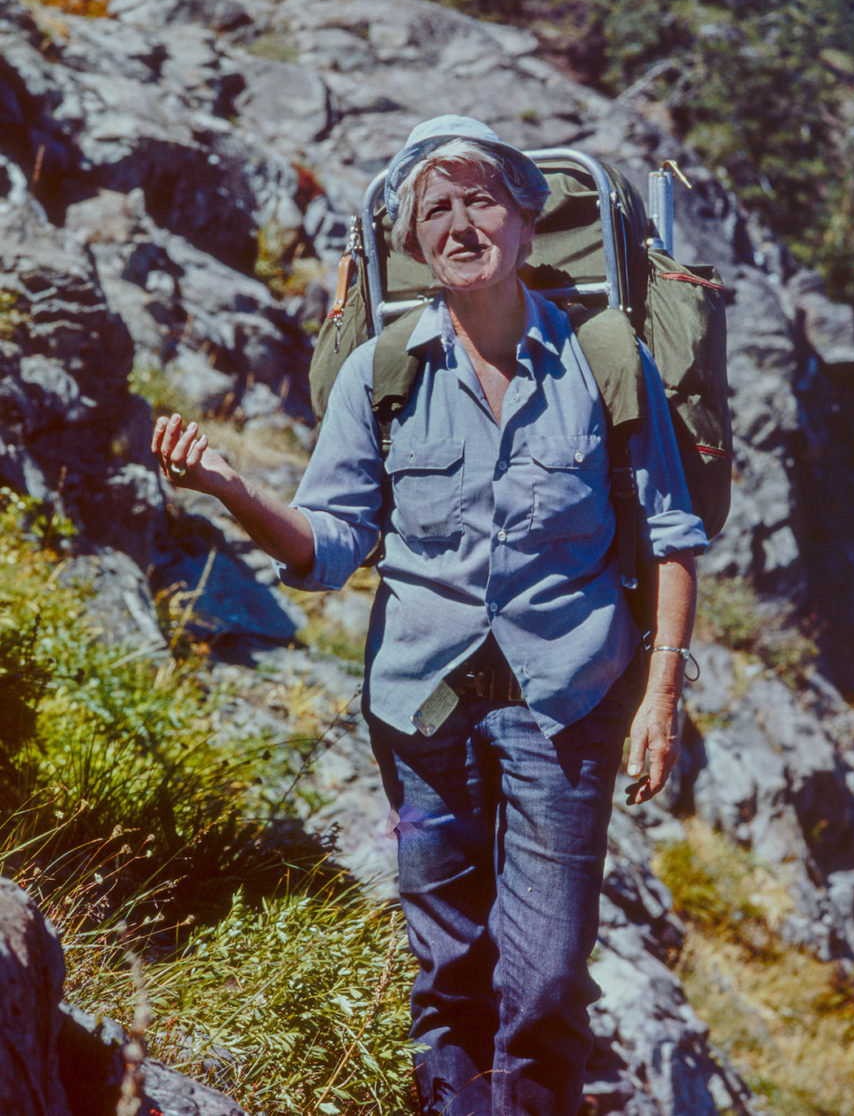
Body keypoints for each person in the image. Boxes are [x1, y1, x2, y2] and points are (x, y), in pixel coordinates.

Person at [152, 114, 707, 1116]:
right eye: (435, 210)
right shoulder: (382, 373)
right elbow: (329, 549)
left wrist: (662, 693)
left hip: (568, 704)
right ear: (411, 245)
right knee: (449, 968)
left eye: (481, 199)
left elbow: (671, 535)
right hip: (423, 715)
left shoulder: (602, 357)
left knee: (542, 980)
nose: (460, 223)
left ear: (525, 222)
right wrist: (236, 491)